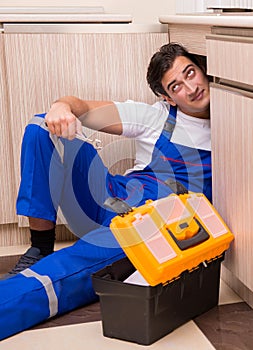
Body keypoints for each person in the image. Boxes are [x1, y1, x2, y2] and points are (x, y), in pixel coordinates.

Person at [2, 42, 211, 280]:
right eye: (176, 86)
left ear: (202, 69)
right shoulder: (156, 117)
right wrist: (62, 106)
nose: (191, 88)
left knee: (72, 270)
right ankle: (40, 248)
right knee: (41, 127)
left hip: (147, 227)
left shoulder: (234, 119)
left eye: (190, 73)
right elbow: (82, 107)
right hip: (107, 201)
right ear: (168, 98)